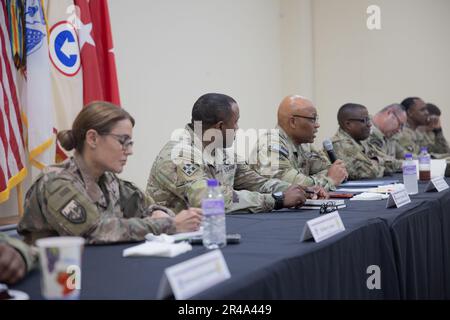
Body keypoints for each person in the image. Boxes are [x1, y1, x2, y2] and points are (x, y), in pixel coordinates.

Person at [18, 101, 202, 245]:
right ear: (92, 138)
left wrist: (159, 214)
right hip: (56, 279)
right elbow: (95, 230)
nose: (129, 151)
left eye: (130, 143)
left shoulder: (107, 179)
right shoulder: (55, 182)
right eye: (123, 141)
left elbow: (145, 206)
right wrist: (171, 225)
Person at [146, 93, 324, 214]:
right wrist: (276, 200)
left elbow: (255, 182)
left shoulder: (220, 151)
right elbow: (210, 201)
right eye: (236, 123)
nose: (238, 129)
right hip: (174, 241)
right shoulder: (181, 154)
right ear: (220, 126)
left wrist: (298, 190)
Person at [250, 95, 347, 191]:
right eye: (312, 119)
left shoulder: (304, 144)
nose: (317, 125)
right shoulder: (270, 146)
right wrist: (330, 180)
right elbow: (292, 188)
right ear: (293, 122)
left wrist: (330, 176)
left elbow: (331, 170)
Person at [331, 103, 394, 179]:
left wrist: (377, 161)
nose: (369, 124)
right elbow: (370, 172)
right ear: (348, 124)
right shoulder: (340, 144)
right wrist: (377, 163)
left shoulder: (361, 141)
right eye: (365, 120)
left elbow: (391, 161)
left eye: (369, 120)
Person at [367, 103, 406, 172]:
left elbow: (403, 154)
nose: (399, 130)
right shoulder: (366, 131)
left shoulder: (389, 134)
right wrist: (408, 165)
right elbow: (381, 161)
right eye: (400, 124)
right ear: (389, 113)